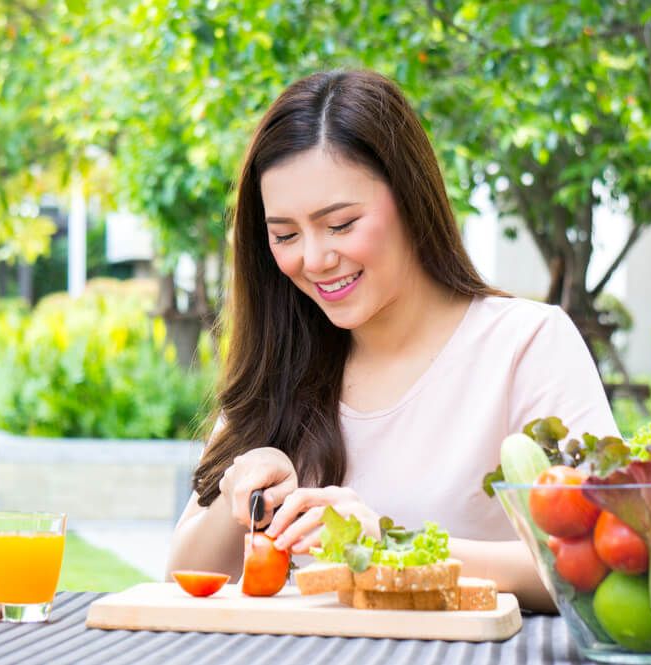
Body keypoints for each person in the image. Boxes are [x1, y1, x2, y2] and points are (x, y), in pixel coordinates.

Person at [165, 69, 618, 611]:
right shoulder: (282, 363)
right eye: (284, 235)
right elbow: (181, 580)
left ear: (409, 198)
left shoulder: (525, 346)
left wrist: (386, 546)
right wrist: (246, 485)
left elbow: (599, 562)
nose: (313, 259)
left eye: (340, 224)